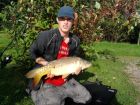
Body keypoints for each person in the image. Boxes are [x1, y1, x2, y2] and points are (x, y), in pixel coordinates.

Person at [29, 6, 92, 105]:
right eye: (62, 18)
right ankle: (35, 93)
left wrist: (77, 71)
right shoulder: (46, 36)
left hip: (66, 79)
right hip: (48, 79)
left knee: (86, 98)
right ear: (57, 20)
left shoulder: (75, 41)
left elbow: (73, 61)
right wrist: (46, 64)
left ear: (73, 21)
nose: (65, 22)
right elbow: (33, 52)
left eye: (69, 19)